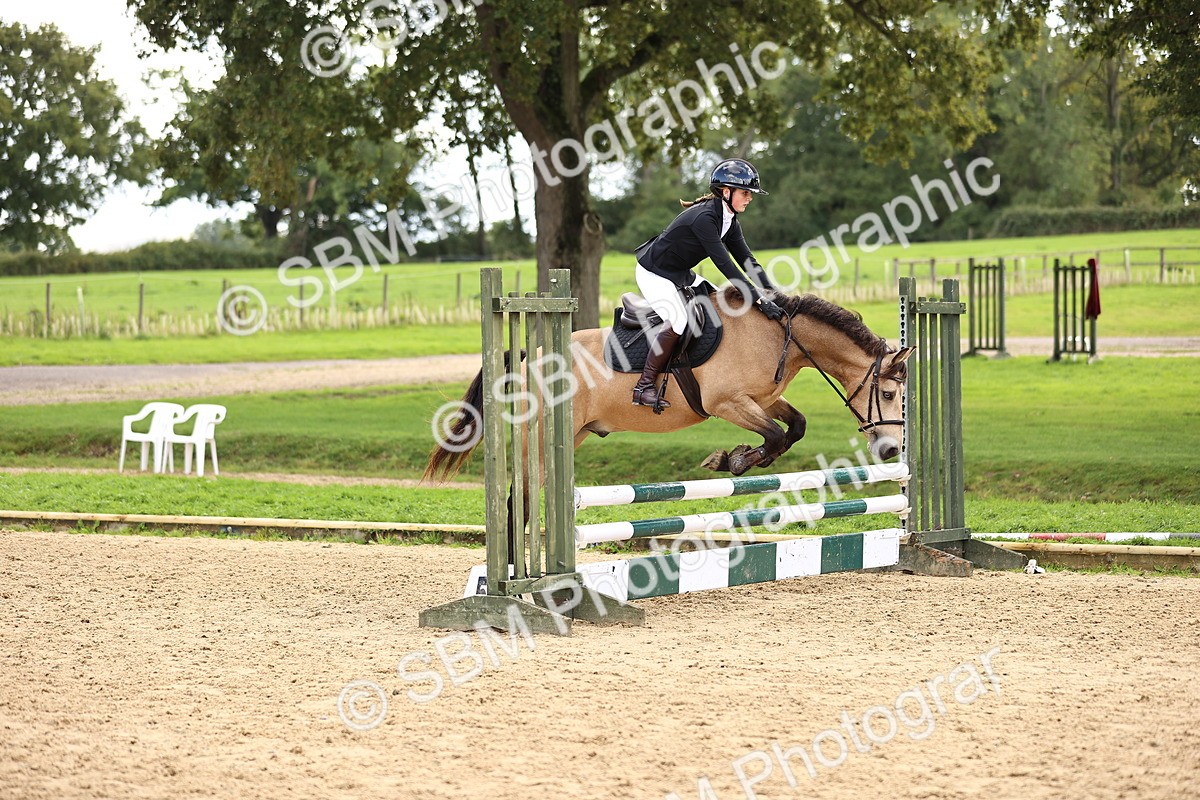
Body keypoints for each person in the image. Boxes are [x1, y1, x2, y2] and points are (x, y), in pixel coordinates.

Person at [630, 158, 785, 408]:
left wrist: (773, 293)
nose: (750, 198)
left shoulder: (729, 220)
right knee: (679, 321)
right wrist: (757, 298)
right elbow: (726, 266)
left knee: (719, 300)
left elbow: (747, 260)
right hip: (654, 272)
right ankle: (643, 386)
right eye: (745, 193)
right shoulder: (704, 218)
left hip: (679, 271)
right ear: (727, 192)